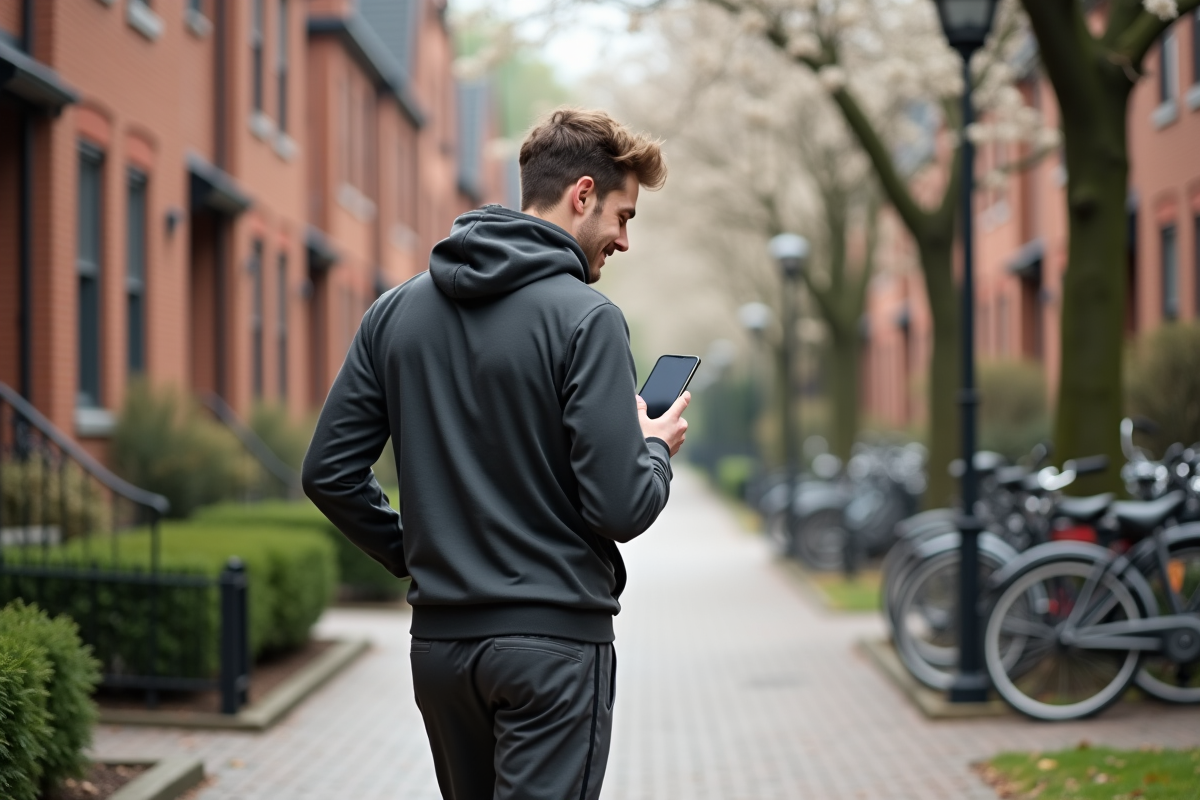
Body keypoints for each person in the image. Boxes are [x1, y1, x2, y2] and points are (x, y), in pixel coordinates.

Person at [301, 107, 689, 800]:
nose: (625, 241)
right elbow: (620, 505)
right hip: (555, 648)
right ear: (582, 194)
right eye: (624, 217)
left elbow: (328, 472)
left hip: (442, 652)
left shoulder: (395, 312)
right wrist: (654, 450)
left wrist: (417, 551)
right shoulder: (586, 318)